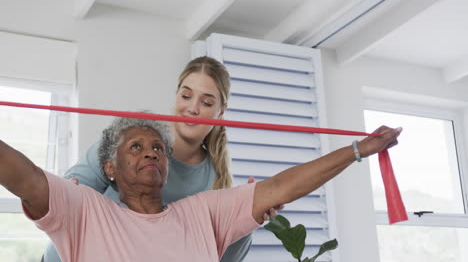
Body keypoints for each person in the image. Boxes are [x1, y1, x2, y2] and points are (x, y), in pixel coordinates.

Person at [0, 116, 401, 261]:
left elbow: (279, 188)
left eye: (158, 147)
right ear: (110, 167)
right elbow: (27, 177)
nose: (151, 153)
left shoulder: (201, 212)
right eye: (136, 147)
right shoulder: (84, 210)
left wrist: (358, 149)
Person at [43, 56, 271, 262]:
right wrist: (67, 190)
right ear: (176, 96)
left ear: (221, 111)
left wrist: (251, 215)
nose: (192, 108)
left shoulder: (215, 179)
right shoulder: (130, 139)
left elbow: (221, 254)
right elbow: (68, 194)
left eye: (207, 102)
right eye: (186, 95)